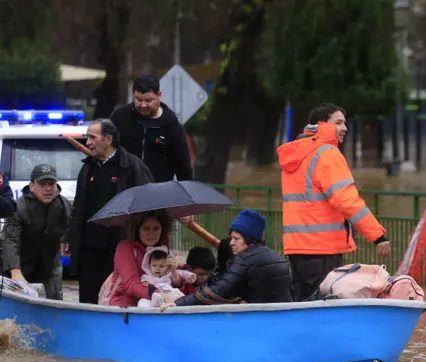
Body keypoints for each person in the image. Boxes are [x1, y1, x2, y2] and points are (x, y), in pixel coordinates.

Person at [276, 102, 391, 301]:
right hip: (323, 249)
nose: (344, 128)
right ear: (322, 125)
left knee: (302, 304)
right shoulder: (327, 154)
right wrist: (378, 236)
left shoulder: (296, 155)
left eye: (344, 123)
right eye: (338, 123)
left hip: (297, 247)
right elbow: (347, 201)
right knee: (324, 306)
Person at [62, 118, 155, 304]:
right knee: (88, 300)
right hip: (88, 248)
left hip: (118, 247)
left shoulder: (131, 167)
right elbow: (78, 207)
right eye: (87, 138)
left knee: (115, 298)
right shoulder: (88, 167)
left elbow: (148, 205)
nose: (87, 143)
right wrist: (69, 236)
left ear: (108, 139)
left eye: (92, 137)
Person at [160, 209, 292, 310]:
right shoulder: (277, 256)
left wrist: (179, 303)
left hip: (257, 321)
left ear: (250, 239)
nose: (231, 243)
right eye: (231, 238)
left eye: (236, 238)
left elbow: (220, 289)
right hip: (279, 318)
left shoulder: (244, 258)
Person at [1, 165, 71, 300]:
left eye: (51, 184)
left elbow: (72, 227)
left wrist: (68, 241)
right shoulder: (19, 206)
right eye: (42, 184)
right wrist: (15, 271)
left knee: (56, 303)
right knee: (15, 304)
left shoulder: (63, 205)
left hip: (50, 264)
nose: (48, 188)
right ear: (32, 186)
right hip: (21, 262)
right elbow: (10, 240)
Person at [110, 74, 193, 183]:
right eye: (138, 100)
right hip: (123, 189)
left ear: (159, 95)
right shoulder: (120, 117)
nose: (143, 105)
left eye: (149, 101)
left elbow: (183, 167)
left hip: (158, 192)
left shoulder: (172, 126)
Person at [110, 210, 187, 307]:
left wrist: (174, 272)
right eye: (146, 229)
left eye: (156, 229)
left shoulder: (164, 250)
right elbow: (131, 284)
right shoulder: (125, 248)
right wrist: (160, 294)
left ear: (162, 230)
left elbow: (174, 286)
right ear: (138, 230)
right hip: (126, 306)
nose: (151, 234)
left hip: (160, 304)